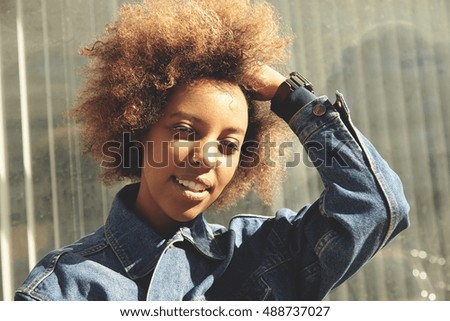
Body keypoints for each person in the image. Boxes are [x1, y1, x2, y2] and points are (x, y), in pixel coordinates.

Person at [15, 0, 409, 301]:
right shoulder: (67, 286)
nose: (206, 157)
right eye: (185, 131)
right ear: (139, 132)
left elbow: (373, 206)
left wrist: (291, 99)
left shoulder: (265, 253)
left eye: (228, 145)